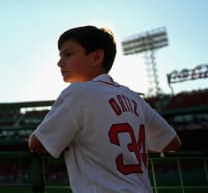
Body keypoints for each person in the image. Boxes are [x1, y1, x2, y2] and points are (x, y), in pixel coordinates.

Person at [28, 25, 181, 193]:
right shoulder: (134, 97)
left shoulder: (77, 92)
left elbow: (38, 144)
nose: (59, 62)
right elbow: (172, 143)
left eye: (68, 54)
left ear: (96, 57)